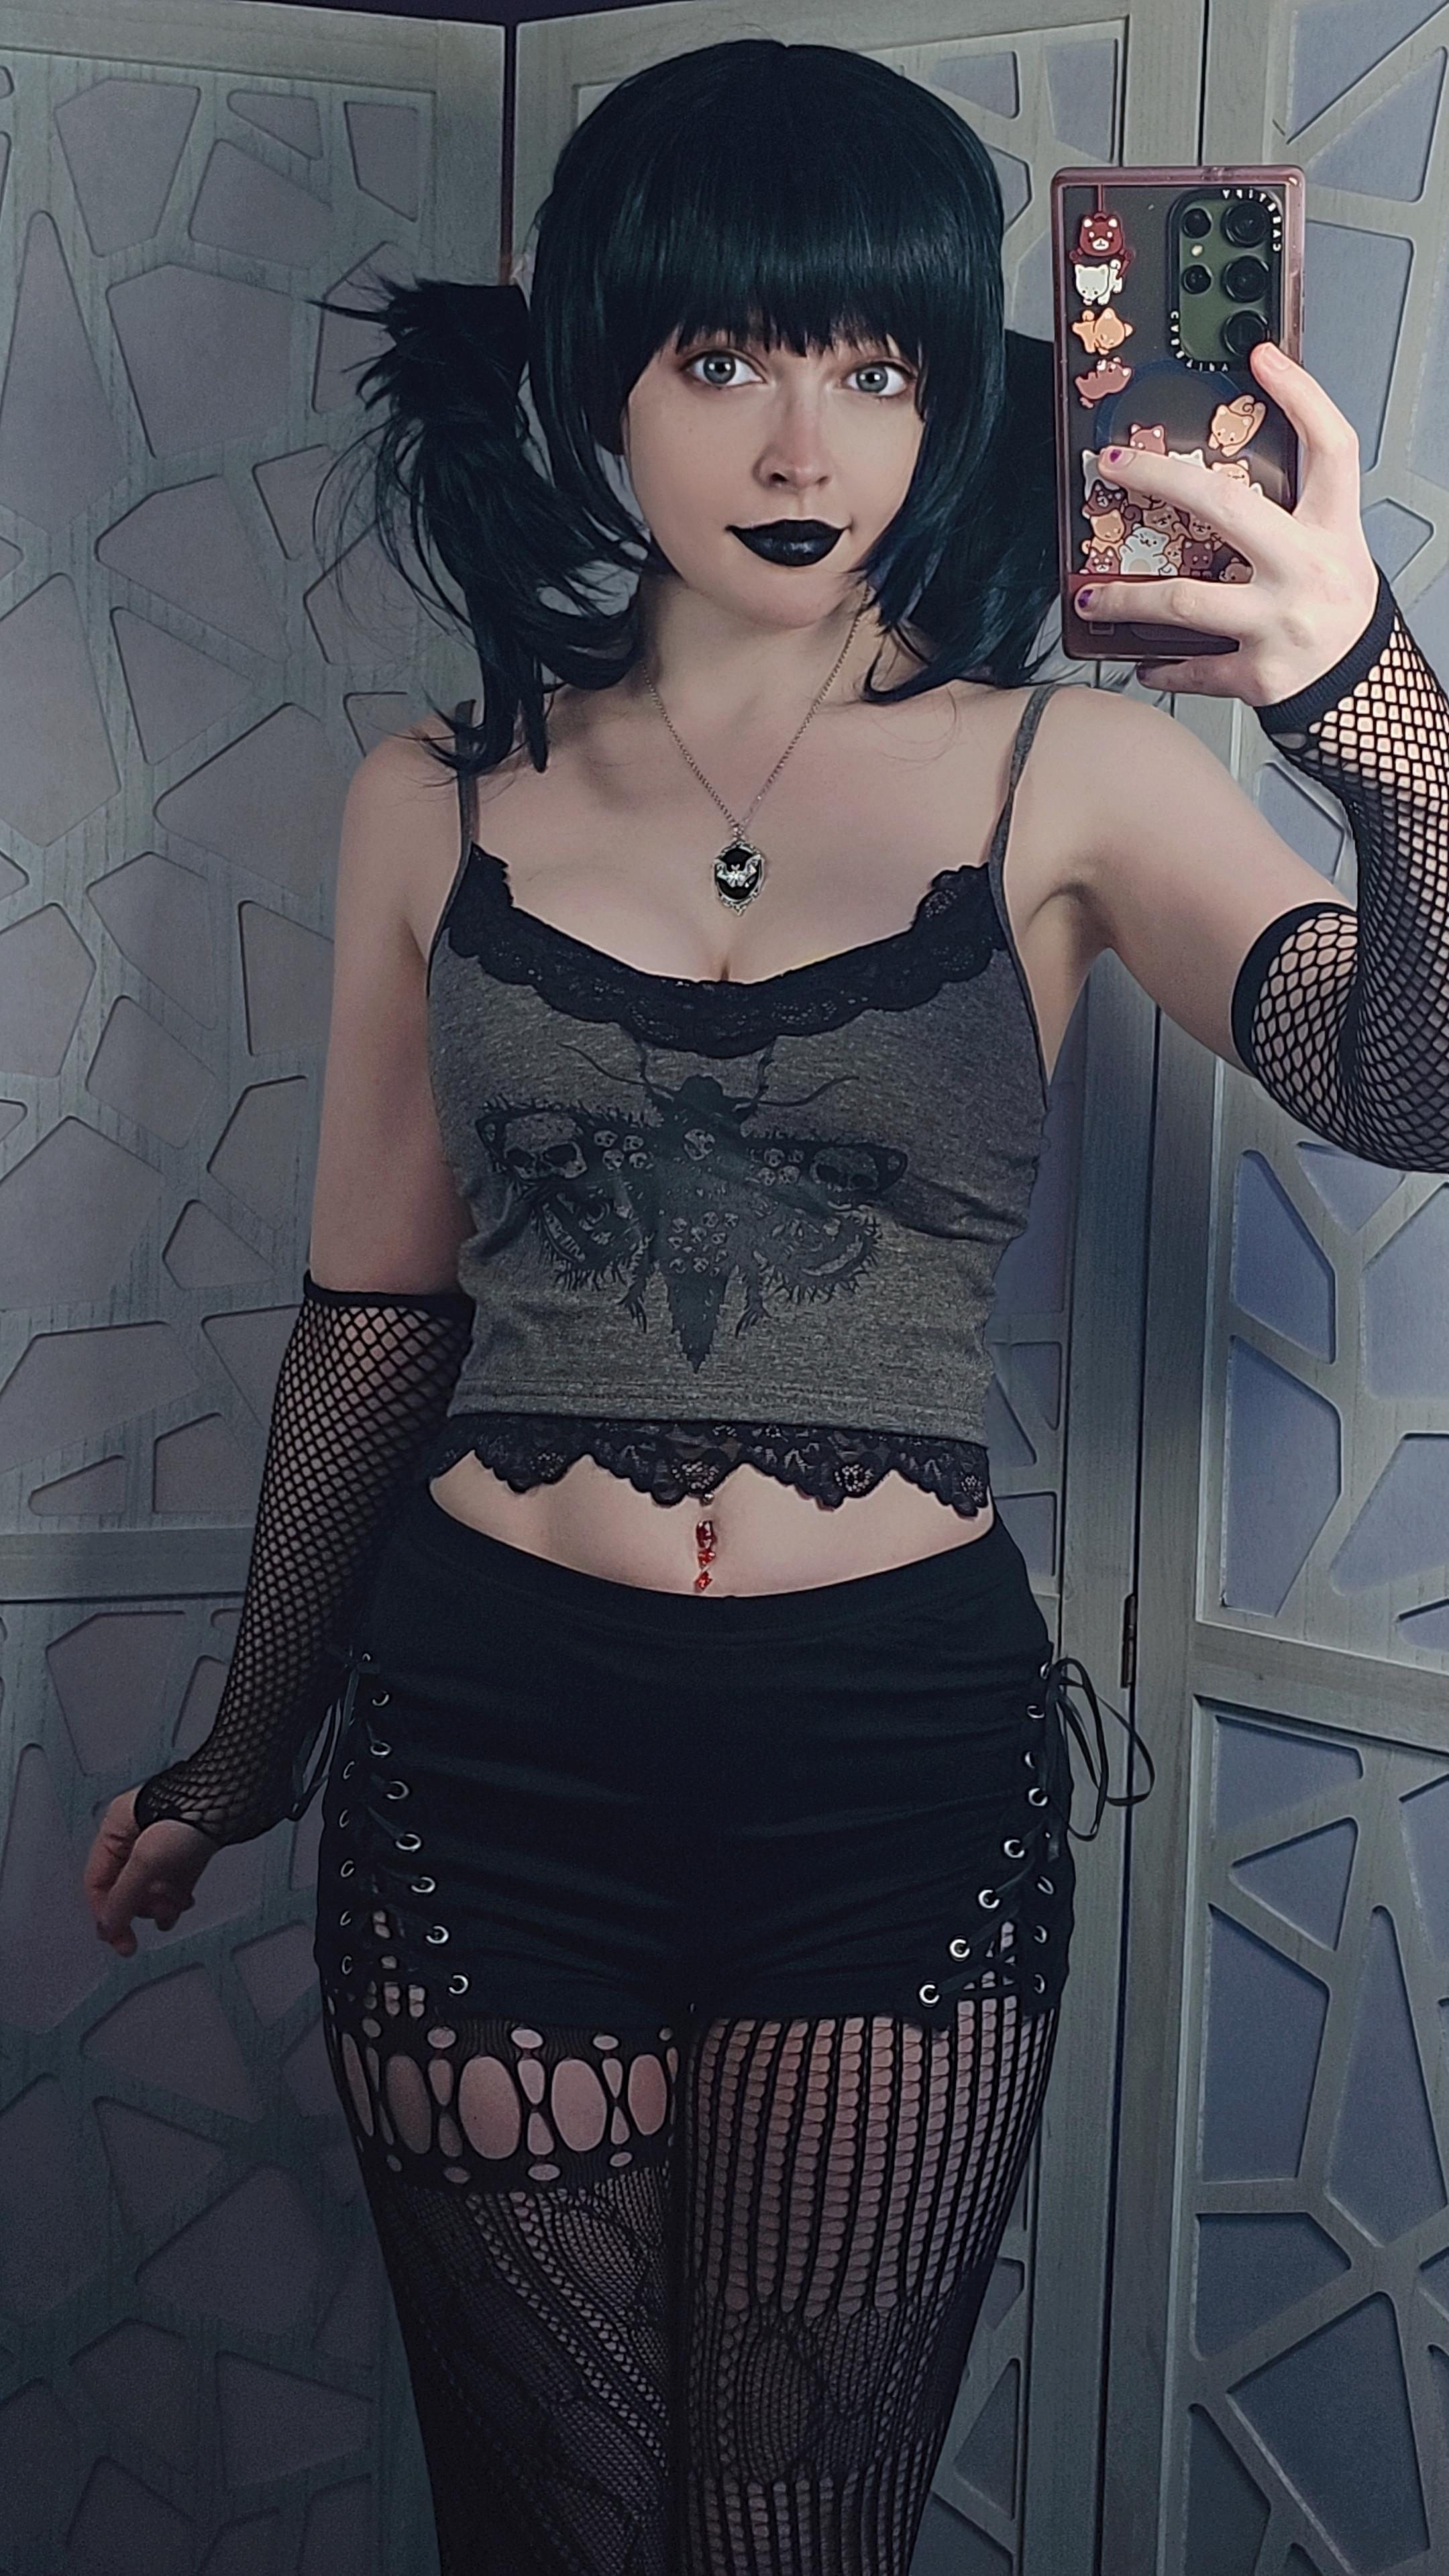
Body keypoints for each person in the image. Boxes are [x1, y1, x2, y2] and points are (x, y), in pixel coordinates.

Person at [83, 37, 1447, 2576]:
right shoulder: (433, 792)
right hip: (487, 1760)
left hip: (892, 1778)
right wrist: (238, 1757)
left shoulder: (1069, 777)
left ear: (951, 395)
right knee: (554, 2532)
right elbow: (372, 1318)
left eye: (878, 366)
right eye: (725, 359)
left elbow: (1419, 1084)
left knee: (797, 2533)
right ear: (601, 369)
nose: (806, 442)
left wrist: (1362, 688)